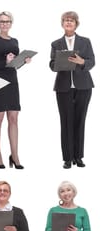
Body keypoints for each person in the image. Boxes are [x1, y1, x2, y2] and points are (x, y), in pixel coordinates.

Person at [0, 11, 31, 169]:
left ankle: (15, 155)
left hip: (12, 80)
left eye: (7, 21)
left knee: (13, 118)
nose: (5, 24)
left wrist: (24, 61)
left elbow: (15, 64)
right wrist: (4, 61)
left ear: (11, 23)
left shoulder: (15, 41)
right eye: (2, 21)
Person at [49, 11, 94, 169]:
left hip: (83, 86)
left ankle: (78, 157)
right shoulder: (56, 43)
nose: (68, 22)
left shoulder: (85, 42)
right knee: (66, 122)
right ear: (62, 23)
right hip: (64, 87)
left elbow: (92, 62)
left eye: (71, 20)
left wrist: (82, 62)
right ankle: (67, 158)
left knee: (80, 121)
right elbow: (52, 65)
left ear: (76, 24)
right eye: (66, 20)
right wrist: (58, 64)